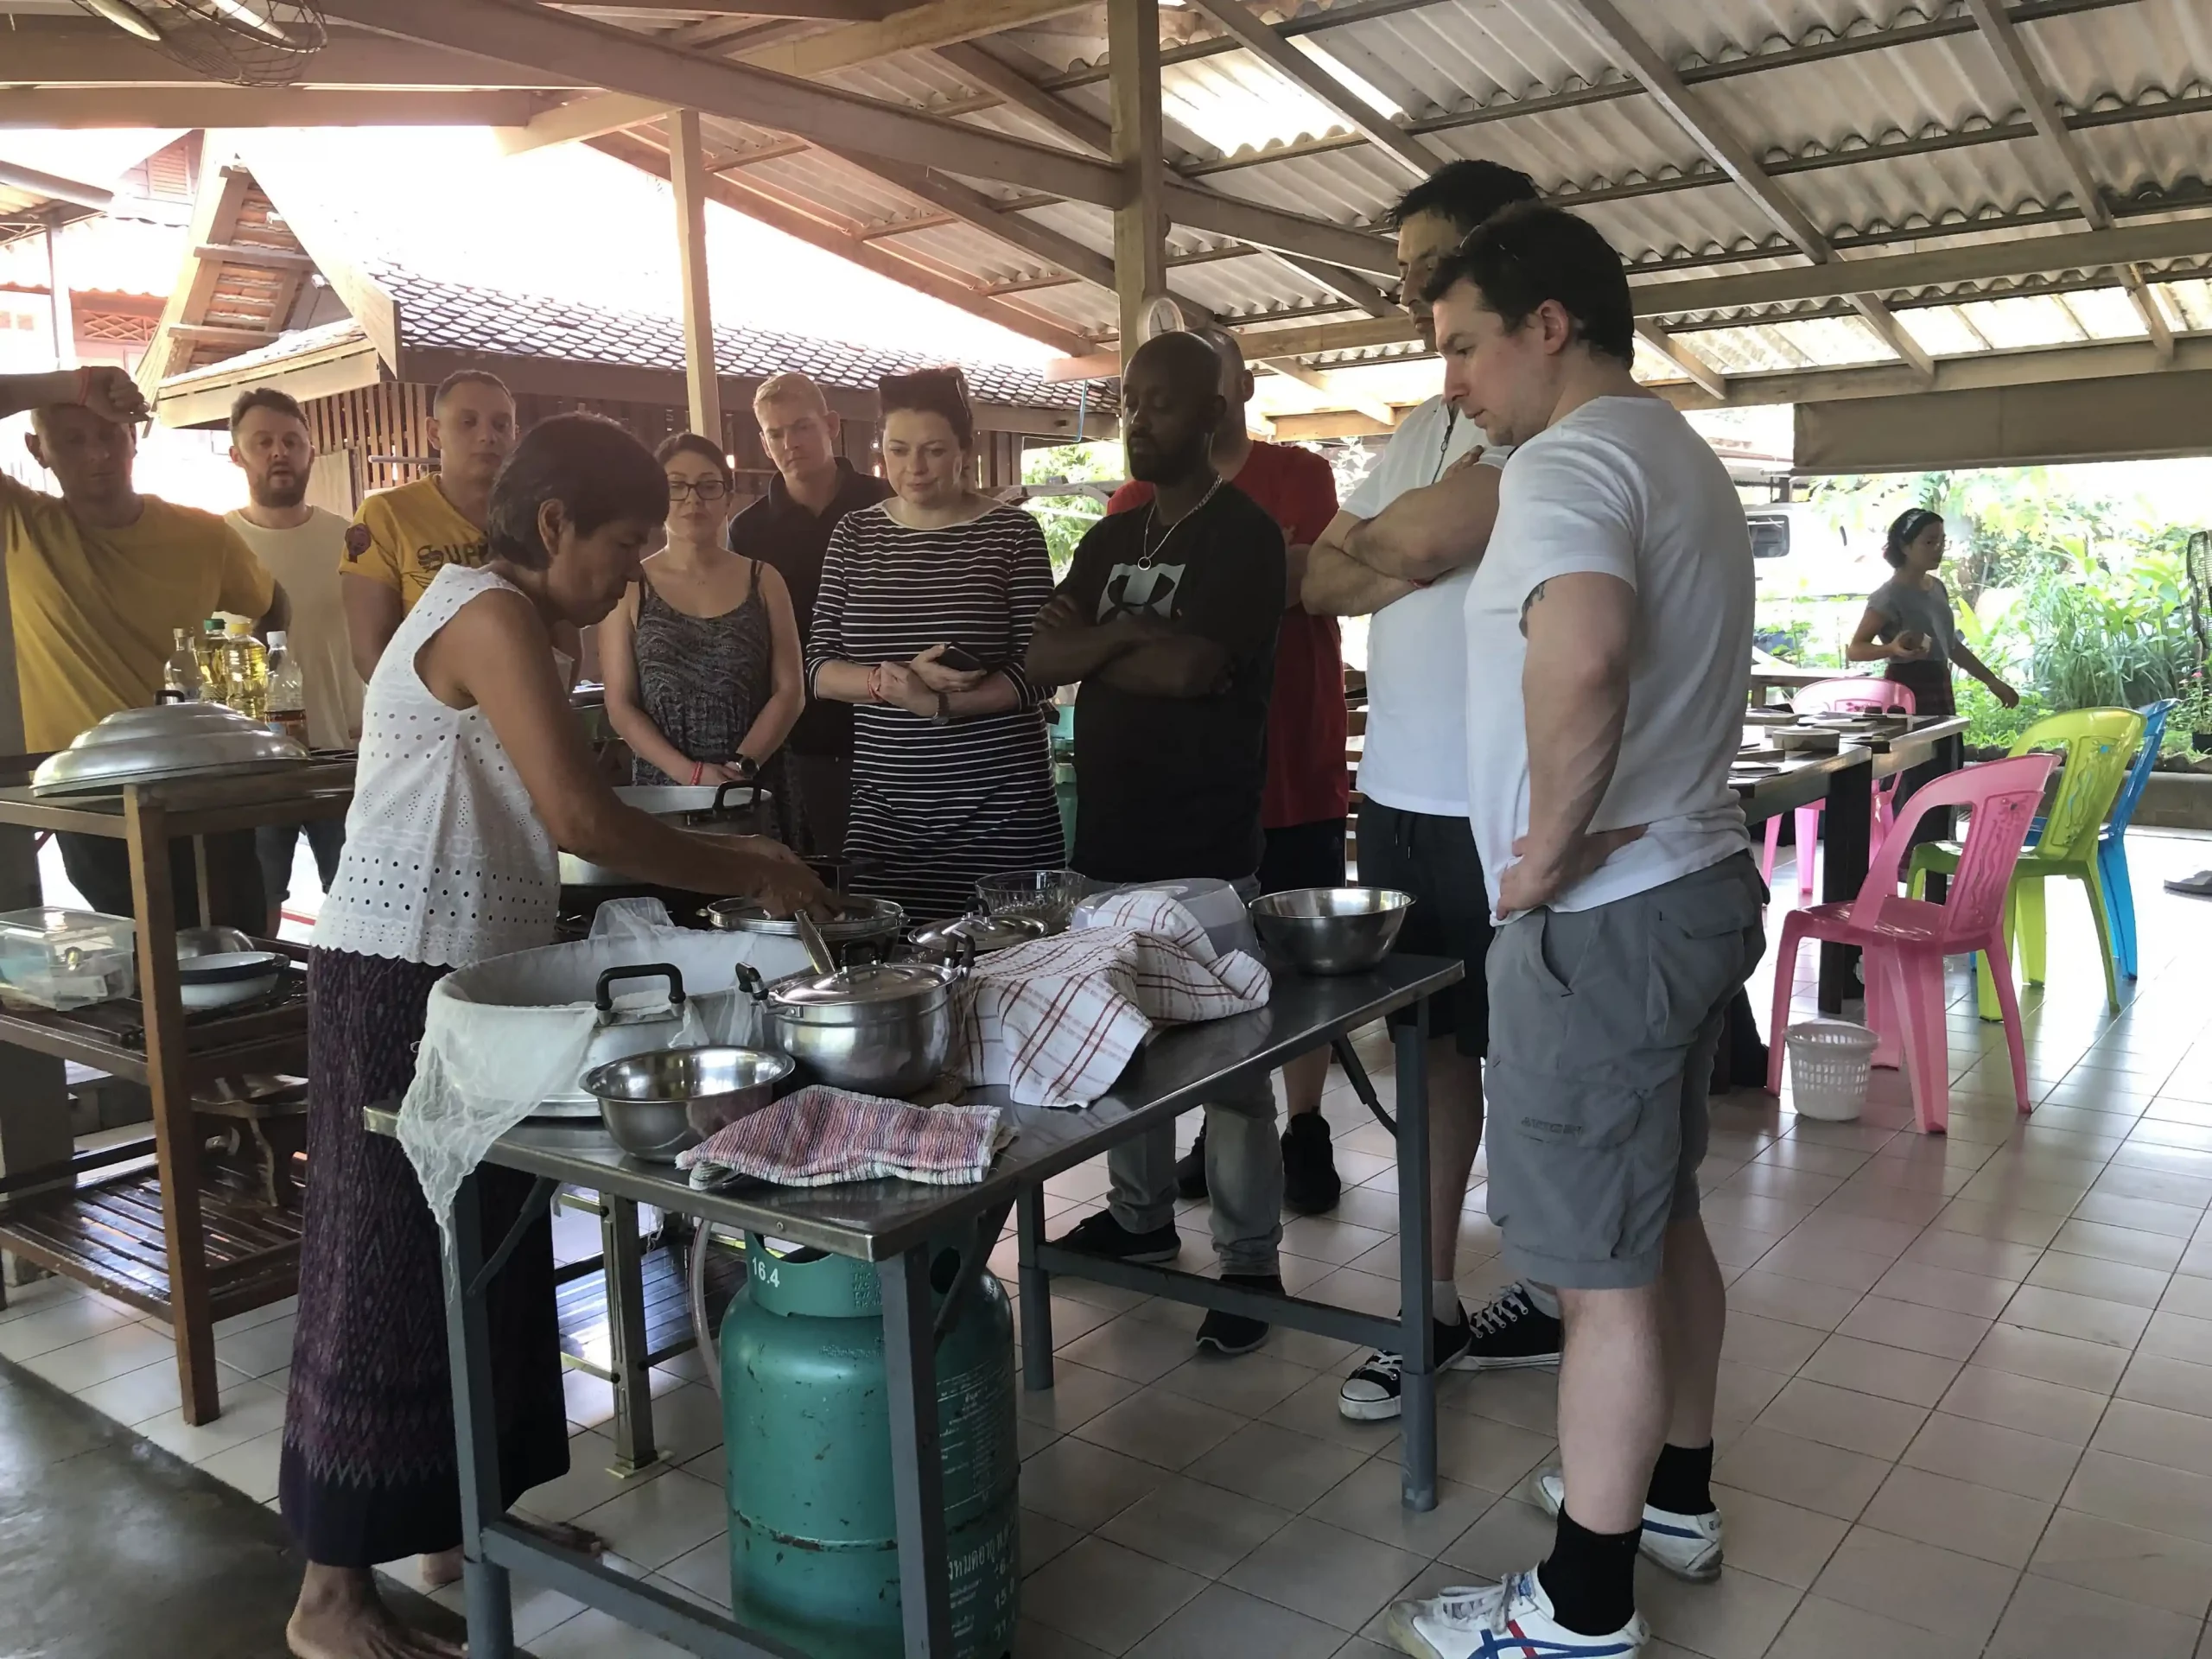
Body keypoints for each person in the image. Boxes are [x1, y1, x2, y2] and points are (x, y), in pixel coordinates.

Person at [281, 412, 826, 1659]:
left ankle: (457, 1524)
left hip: (474, 975)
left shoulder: (511, 615)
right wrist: (745, 866)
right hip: (394, 973)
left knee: (485, 1249)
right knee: (383, 1270)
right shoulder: (486, 612)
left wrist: (718, 850)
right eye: (622, 545)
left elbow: (563, 803)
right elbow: (579, 809)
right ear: (550, 526)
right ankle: (327, 1595)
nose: (631, 573)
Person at [1382, 204, 1766, 1659]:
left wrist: (1538, 851)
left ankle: (1580, 1608)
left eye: (1465, 347)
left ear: (1549, 326)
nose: (1453, 385)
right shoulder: (1678, 452)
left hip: (1602, 918)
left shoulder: (1562, 462)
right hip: (1690, 887)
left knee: (1595, 1275)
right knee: (1659, 1217)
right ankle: (1674, 1496)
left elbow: (1587, 648)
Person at [1299, 160, 1567, 1423]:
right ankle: (1434, 1305)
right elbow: (1320, 583)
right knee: (1432, 1058)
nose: (1408, 291)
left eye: (1428, 266)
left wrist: (1392, 545)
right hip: (1399, 795)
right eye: (1403, 271)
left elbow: (1386, 551)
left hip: (1496, 801)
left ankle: (1563, 1289)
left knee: (1532, 1059)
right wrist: (1397, 542)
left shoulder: (1551, 429)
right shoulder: (1420, 426)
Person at [1027, 330, 1289, 1355]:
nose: (1138, 419)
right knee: (1119, 1039)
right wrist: (1131, 642)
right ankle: (1139, 1221)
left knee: (1229, 1060)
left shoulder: (1245, 537)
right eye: (1130, 402)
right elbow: (1044, 653)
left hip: (1205, 840)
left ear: (1213, 414)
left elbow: (1196, 674)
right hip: (1111, 833)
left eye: (1161, 404)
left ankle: (1250, 1259)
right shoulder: (1109, 536)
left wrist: (1105, 649)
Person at [1106, 325, 1349, 1215]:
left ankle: (1307, 1127)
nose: (1148, 409)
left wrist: (1205, 596)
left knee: (1300, 966)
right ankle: (1214, 1135)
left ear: (1235, 387)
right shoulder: (1134, 497)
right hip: (1190, 786)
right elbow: (1104, 637)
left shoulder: (1303, 475)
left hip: (1297, 764)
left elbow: (1321, 581)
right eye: (1137, 394)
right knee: (1198, 974)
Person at [1, 366, 288, 934]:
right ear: (38, 449)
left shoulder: (202, 535)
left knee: (244, 942)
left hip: (201, 780)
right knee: (144, 954)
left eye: (109, 434)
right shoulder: (23, 526)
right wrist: (74, 386)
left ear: (134, 438)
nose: (98, 454)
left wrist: (268, 689)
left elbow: (271, 603)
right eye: (74, 439)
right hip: (86, 789)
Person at [804, 367, 1063, 920]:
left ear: (964, 452)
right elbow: (819, 668)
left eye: (933, 450)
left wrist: (939, 704)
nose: (913, 468)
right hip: (886, 812)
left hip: (1003, 810)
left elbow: (1042, 668)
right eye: (898, 450)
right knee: (892, 970)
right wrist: (891, 682)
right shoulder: (854, 535)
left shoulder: (1012, 534)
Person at [601, 432, 807, 842]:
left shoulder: (764, 579)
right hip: (665, 792)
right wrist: (691, 776)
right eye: (675, 487)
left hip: (756, 782)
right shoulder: (629, 584)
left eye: (708, 486)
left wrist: (739, 770)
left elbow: (790, 692)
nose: (693, 500)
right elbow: (621, 706)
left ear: (728, 498)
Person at [728, 372, 893, 856]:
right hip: (805, 735)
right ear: (762, 441)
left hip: (898, 723)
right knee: (826, 876)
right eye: (775, 433)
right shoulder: (750, 530)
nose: (790, 443)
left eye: (801, 427)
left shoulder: (888, 503)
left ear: (831, 425)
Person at [225, 386, 365, 932]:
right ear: (238, 455)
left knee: (360, 908)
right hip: (252, 764)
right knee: (253, 914)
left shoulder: (353, 536)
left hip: (344, 753)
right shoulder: (218, 542)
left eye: (291, 441)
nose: (279, 452)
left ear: (311, 450)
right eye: (263, 442)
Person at [1847, 505, 2019, 845]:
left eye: (1942, 541)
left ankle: (1937, 851)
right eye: (1929, 541)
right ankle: (1908, 858)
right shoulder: (1888, 595)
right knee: (1914, 777)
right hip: (1907, 692)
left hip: (1939, 685)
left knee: (1945, 771)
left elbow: (1950, 644)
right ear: (1905, 547)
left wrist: (1991, 680)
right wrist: (1892, 648)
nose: (1938, 548)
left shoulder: (1936, 587)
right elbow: (1856, 648)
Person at [340, 370, 518, 681]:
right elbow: (370, 654)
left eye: (501, 425)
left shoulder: (535, 516)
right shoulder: (386, 515)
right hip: (424, 717)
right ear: (434, 433)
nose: (487, 436)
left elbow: (562, 638)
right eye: (468, 422)